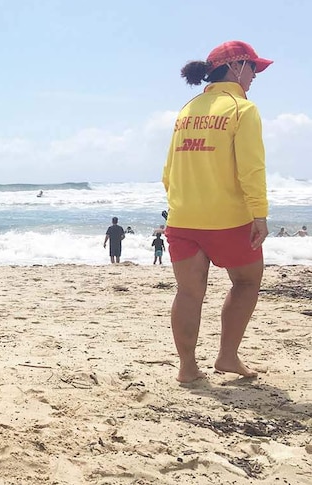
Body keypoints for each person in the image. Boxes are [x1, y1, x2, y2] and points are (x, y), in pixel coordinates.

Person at [162, 40, 272, 383]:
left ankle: (187, 368)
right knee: (247, 281)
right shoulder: (241, 109)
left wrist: (185, 204)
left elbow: (168, 171)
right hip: (228, 219)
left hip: (182, 218)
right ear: (237, 66)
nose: (255, 76)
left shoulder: (188, 109)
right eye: (253, 67)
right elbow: (251, 168)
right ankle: (227, 355)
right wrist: (260, 214)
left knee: (189, 292)